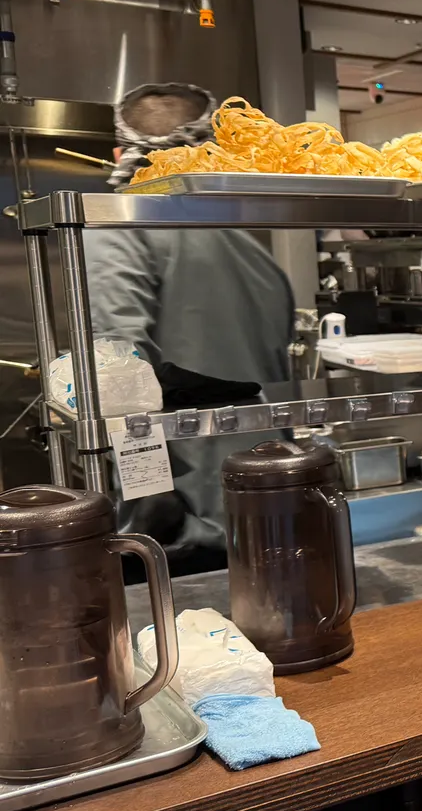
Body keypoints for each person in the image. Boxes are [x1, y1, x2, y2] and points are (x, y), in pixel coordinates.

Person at [91, 83, 295, 574]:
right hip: (267, 498)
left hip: (186, 525)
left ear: (121, 153)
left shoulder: (117, 228)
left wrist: (155, 504)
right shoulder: (243, 240)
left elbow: (118, 371)